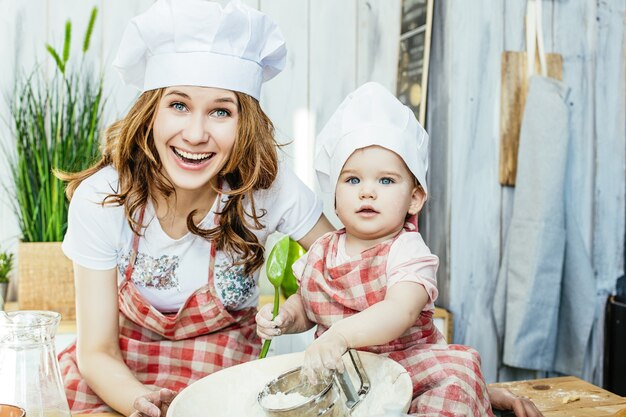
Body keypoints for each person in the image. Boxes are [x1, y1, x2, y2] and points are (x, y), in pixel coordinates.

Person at [56, 1, 332, 416]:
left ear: (245, 123)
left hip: (226, 382)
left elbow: (345, 265)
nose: (196, 134)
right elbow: (95, 351)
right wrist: (138, 401)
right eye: (179, 105)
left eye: (221, 111)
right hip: (118, 379)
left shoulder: (268, 188)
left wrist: (304, 308)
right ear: (150, 113)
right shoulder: (103, 198)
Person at [257, 82, 544, 417]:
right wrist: (286, 318)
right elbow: (308, 308)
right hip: (348, 378)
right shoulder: (320, 252)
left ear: (414, 198)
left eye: (386, 181)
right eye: (352, 180)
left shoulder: (407, 251)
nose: (367, 192)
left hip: (414, 371)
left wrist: (338, 335)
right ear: (333, 196)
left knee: (455, 381)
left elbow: (400, 311)